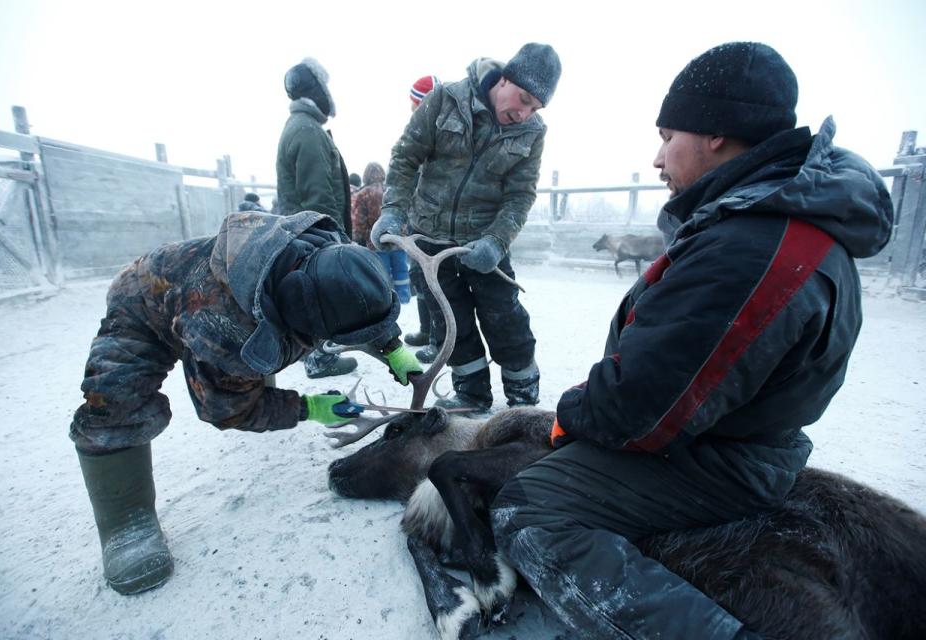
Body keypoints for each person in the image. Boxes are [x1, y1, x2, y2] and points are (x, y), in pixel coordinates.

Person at [489, 42, 893, 639]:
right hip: (737, 434)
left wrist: (569, 416)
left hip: (726, 458)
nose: (657, 158)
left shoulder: (752, 248)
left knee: (528, 505)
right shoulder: (771, 224)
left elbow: (643, 408)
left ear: (715, 135)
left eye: (668, 134)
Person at [70, 210, 422, 596]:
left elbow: (351, 294)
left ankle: (254, 369)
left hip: (240, 302)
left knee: (250, 358)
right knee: (113, 399)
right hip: (143, 303)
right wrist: (308, 408)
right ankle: (127, 522)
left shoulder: (323, 246)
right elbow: (226, 409)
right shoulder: (220, 328)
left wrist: (392, 348)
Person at [371, 45, 561, 412]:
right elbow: (405, 157)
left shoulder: (532, 132)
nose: (524, 113)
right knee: (450, 323)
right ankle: (472, 397)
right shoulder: (445, 100)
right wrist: (393, 211)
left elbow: (520, 195)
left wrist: (496, 240)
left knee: (506, 320)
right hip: (429, 240)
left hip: (484, 245)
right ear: (504, 78)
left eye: (534, 107)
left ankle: (523, 397)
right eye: (522, 99)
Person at [276, 57, 356, 378]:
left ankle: (317, 354)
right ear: (316, 90)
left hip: (304, 233)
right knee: (321, 295)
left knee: (315, 295)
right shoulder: (308, 132)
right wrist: (333, 242)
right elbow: (318, 196)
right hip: (314, 235)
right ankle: (319, 359)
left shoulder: (301, 127)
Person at [403, 75, 441, 363]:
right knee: (420, 280)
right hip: (417, 223)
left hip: (434, 227)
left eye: (415, 104)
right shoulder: (420, 133)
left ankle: (438, 340)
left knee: (435, 284)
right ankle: (426, 330)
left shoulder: (439, 135)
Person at [352, 162, 411, 303]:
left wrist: (359, 237)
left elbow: (359, 221)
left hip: (376, 243)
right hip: (398, 241)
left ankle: (386, 299)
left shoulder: (363, 194)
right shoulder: (391, 191)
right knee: (401, 271)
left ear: (366, 175)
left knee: (382, 273)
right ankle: (404, 297)